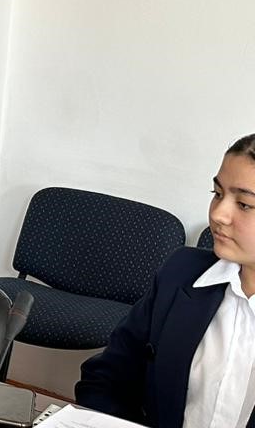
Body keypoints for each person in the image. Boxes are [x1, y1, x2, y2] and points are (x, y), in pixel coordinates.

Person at [75, 133, 255, 428]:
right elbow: (106, 379)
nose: (218, 214)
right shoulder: (180, 273)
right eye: (217, 193)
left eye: (244, 204)